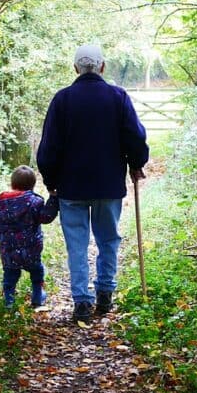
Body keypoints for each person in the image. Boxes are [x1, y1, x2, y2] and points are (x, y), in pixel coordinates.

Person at [36, 44, 149, 324]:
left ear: (76, 68)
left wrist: (51, 182)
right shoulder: (118, 97)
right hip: (108, 184)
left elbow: (48, 147)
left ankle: (82, 302)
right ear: (102, 67)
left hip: (70, 187)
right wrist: (137, 163)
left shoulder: (62, 100)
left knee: (77, 244)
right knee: (108, 239)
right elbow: (134, 137)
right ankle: (105, 294)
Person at [0, 166, 60, 308]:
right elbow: (46, 217)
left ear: (12, 183)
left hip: (8, 250)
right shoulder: (34, 202)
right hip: (31, 249)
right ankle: (37, 297)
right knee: (37, 271)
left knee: (10, 274)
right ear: (32, 185)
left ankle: (9, 301)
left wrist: (3, 239)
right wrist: (53, 199)